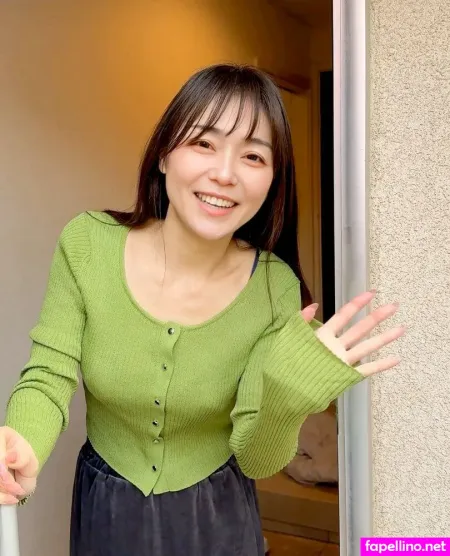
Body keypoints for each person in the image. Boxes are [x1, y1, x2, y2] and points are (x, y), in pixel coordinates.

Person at [0, 64, 404, 556]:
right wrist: (23, 443)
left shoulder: (275, 287)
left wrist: (287, 397)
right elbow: (49, 374)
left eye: (253, 155)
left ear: (273, 180)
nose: (225, 174)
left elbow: (256, 459)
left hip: (217, 515)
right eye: (204, 143)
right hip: (107, 508)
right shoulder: (86, 243)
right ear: (164, 154)